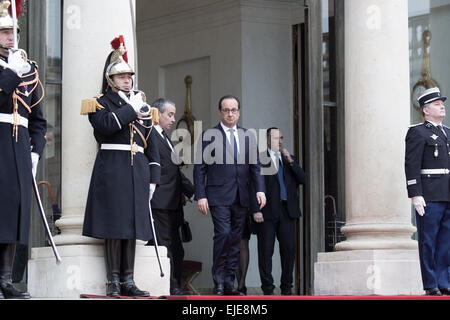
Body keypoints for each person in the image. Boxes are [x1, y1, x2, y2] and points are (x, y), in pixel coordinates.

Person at [81, 35, 161, 297]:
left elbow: (152, 143)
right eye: (121, 77)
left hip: (136, 167)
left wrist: (153, 176)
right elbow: (105, 127)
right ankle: (112, 280)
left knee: (132, 225)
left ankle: (129, 279)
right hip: (113, 166)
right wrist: (131, 109)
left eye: (129, 76)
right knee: (115, 225)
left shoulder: (143, 104)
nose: (127, 80)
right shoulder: (100, 103)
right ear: (111, 81)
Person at [194, 95, 266, 295]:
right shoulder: (209, 135)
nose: (230, 114)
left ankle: (228, 283)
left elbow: (256, 167)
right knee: (223, 235)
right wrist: (200, 195)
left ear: (239, 112)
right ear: (220, 112)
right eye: (226, 110)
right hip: (218, 196)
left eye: (234, 110)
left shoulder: (247, 136)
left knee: (236, 239)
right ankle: (218, 281)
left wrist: (260, 189)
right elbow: (200, 168)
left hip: (241, 196)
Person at [0, 0, 47, 299]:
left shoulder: (28, 69)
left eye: (13, 31)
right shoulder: (15, 69)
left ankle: (5, 277)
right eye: (4, 32)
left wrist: (35, 151)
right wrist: (11, 73)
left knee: (15, 212)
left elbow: (39, 120)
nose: (10, 37)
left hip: (19, 146)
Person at [405, 87, 450, 296]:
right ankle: (431, 283)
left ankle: (444, 281)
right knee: (428, 241)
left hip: (447, 194)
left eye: (442, 102)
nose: (442, 105)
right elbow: (412, 164)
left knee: (445, 243)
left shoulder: (448, 132)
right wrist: (415, 194)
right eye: (436, 103)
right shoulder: (417, 132)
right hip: (429, 194)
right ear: (425, 110)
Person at [149, 98, 195, 295]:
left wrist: (193, 192)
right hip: (159, 201)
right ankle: (169, 286)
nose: (173, 119)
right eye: (169, 114)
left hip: (174, 204)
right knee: (165, 247)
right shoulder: (150, 135)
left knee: (177, 249)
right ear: (157, 114)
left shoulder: (164, 136)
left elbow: (174, 172)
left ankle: (175, 285)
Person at [251, 127, 305, 295]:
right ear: (267, 140)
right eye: (275, 138)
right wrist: (255, 210)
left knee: (289, 250)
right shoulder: (259, 159)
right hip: (266, 212)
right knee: (266, 251)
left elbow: (302, 179)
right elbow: (251, 186)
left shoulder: (289, 159)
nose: (279, 141)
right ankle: (267, 288)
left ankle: (287, 288)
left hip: (287, 212)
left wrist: (290, 161)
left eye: (281, 138)